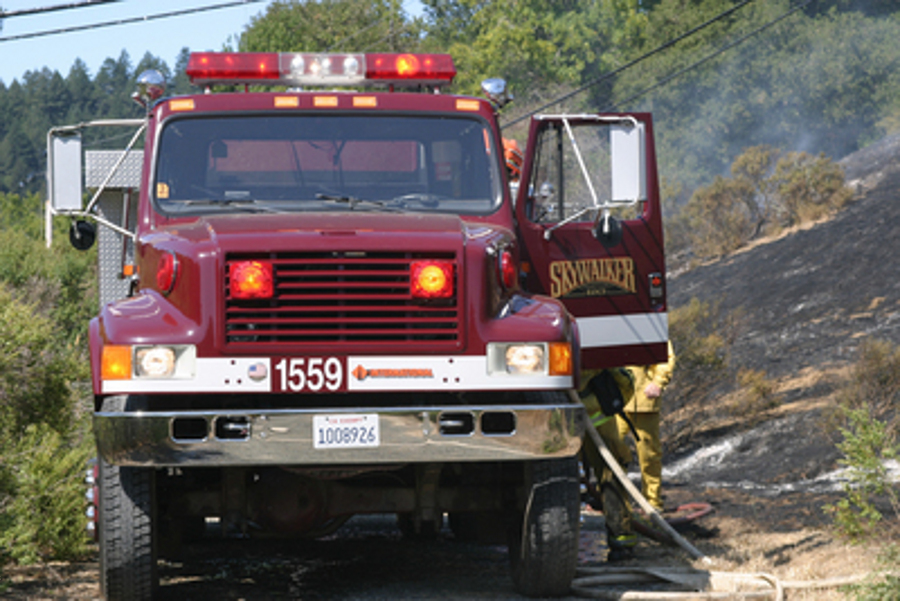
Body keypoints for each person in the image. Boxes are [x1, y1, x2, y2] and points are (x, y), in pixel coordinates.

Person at [579, 367, 639, 561]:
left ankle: (622, 540)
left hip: (594, 421)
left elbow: (626, 382)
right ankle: (622, 542)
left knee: (611, 477)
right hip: (589, 417)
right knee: (610, 476)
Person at [615, 340, 676, 513]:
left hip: (644, 401)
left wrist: (658, 382)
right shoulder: (613, 325)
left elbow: (666, 357)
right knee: (611, 451)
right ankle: (615, 501)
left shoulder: (650, 325)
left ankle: (652, 503)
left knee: (649, 455)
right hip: (615, 402)